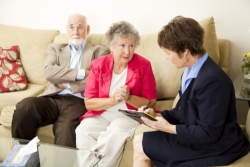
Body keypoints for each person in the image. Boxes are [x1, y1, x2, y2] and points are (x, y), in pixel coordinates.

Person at [133, 16, 250, 167]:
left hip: (217, 145)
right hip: (199, 137)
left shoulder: (212, 81)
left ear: (185, 52)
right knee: (139, 141)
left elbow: (209, 132)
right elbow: (184, 111)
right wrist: (155, 115)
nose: (167, 58)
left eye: (168, 52)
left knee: (140, 146)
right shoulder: (190, 72)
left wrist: (167, 127)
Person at [11, 13, 110, 148]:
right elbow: (49, 72)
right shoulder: (55, 49)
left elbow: (99, 81)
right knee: (24, 107)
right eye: (71, 27)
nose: (75, 32)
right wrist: (84, 73)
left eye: (80, 27)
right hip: (52, 98)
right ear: (67, 30)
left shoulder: (100, 52)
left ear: (88, 29)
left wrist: (68, 83)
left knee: (66, 127)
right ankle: (22, 160)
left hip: (78, 102)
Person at [75, 21, 157, 167]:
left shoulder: (144, 65)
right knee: (82, 130)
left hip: (128, 115)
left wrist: (128, 97)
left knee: (115, 131)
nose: (127, 51)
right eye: (122, 45)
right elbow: (89, 103)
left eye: (131, 46)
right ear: (111, 46)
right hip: (102, 114)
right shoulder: (98, 65)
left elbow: (151, 101)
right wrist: (114, 99)